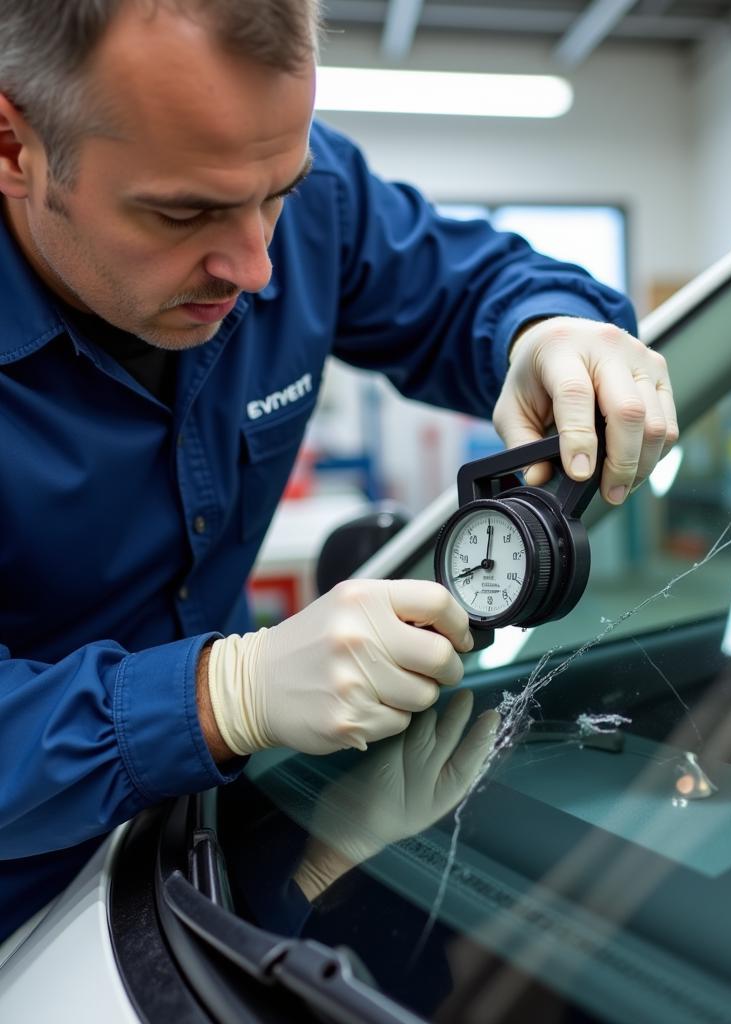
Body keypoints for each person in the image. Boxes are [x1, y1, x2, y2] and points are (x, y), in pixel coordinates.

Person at [0, 0, 678, 942]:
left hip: (204, 863)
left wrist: (549, 329)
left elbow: (469, 283)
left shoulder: (305, 197)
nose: (259, 266)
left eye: (278, 192)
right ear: (13, 146)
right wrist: (220, 694)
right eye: (183, 211)